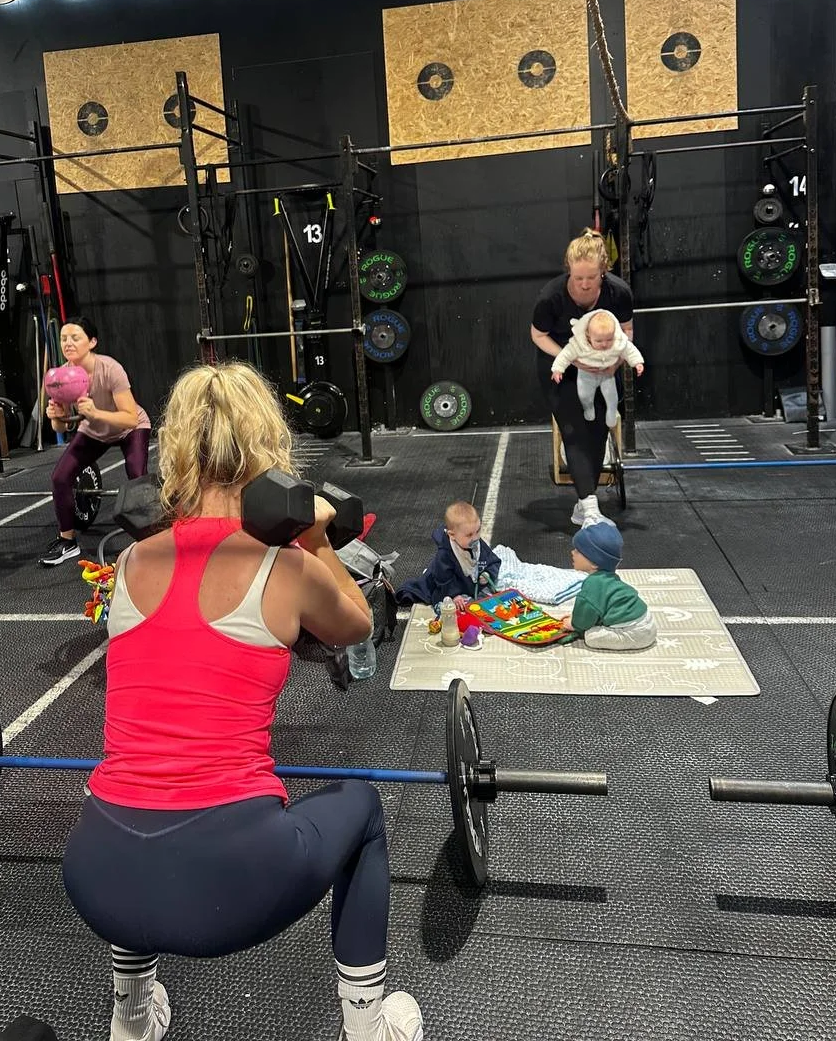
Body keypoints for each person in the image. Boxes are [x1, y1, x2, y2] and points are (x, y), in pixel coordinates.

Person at [62, 361, 423, 1041]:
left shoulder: (131, 564)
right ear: (267, 452)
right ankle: (369, 1027)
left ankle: (132, 1015)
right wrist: (312, 533)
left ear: (176, 453)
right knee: (363, 807)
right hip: (231, 887)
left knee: (137, 788)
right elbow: (356, 626)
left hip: (96, 872)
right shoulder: (284, 567)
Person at [531, 229, 635, 526]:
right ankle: (590, 507)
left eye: (592, 278)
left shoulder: (618, 292)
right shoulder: (551, 297)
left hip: (604, 365)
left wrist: (615, 363)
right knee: (575, 430)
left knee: (600, 428)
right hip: (561, 363)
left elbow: (626, 331)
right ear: (569, 271)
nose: (585, 284)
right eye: (579, 279)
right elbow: (538, 335)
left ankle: (581, 499)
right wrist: (572, 358)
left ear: (603, 271)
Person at [40, 316, 151, 567]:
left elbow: (130, 418)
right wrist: (56, 418)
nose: (68, 343)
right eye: (63, 338)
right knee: (60, 477)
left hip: (128, 429)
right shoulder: (61, 377)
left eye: (75, 337)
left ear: (92, 342)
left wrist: (95, 413)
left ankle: (147, 539)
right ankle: (67, 542)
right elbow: (60, 426)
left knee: (137, 475)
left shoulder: (110, 369)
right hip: (94, 431)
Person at [561, 520, 656, 650]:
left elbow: (585, 614)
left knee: (591, 637)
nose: (572, 553)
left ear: (594, 562)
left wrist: (573, 624)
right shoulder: (609, 578)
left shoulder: (593, 584)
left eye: (578, 551)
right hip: (646, 621)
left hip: (634, 633)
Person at [395, 500, 501, 608]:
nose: (475, 538)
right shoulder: (445, 554)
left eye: (478, 531)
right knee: (451, 604)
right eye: (469, 535)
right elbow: (443, 579)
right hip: (452, 586)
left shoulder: (477, 543)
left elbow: (493, 560)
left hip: (470, 583)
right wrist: (453, 595)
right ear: (452, 535)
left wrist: (488, 573)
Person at [551, 308, 645, 428]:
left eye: (609, 339)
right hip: (586, 376)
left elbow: (629, 350)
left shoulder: (617, 342)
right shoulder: (580, 344)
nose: (605, 344)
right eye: (599, 341)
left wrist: (637, 363)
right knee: (584, 395)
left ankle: (611, 410)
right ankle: (588, 408)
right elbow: (565, 354)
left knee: (611, 396)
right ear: (588, 336)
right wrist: (558, 369)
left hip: (607, 375)